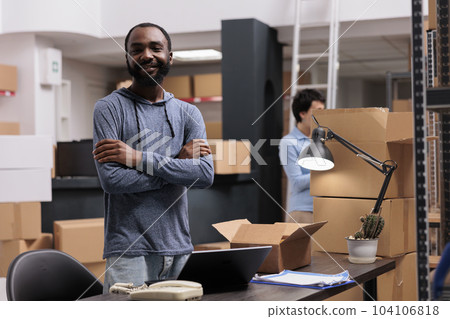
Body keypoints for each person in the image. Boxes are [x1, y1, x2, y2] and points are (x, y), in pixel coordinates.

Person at [92, 22, 214, 293]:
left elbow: (204, 175)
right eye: (137, 49)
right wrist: (179, 164)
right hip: (128, 252)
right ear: (127, 58)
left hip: (180, 249)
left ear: (169, 56)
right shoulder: (109, 109)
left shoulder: (188, 113)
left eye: (155, 48)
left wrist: (136, 158)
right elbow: (113, 180)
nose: (147, 55)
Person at [279, 89, 325, 223]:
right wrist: (324, 172)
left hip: (326, 208)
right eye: (317, 111)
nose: (322, 115)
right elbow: (297, 182)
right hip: (303, 212)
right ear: (303, 114)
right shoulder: (288, 142)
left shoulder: (323, 139)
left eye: (323, 110)